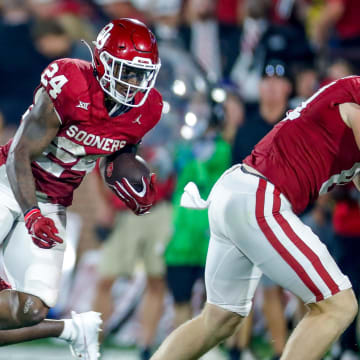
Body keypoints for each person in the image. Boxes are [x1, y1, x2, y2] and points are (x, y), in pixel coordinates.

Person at [151, 74, 360, 360]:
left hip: (238, 190)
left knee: (220, 318)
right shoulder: (354, 99)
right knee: (338, 305)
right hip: (261, 198)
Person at [0, 18, 162, 360]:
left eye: (141, 74)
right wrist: (29, 214)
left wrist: (126, 172)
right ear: (103, 61)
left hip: (53, 202)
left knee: (31, 311)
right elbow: (20, 153)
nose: (134, 83)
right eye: (127, 70)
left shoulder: (146, 110)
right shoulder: (71, 81)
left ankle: (72, 329)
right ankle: (69, 331)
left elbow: (117, 149)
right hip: (8, 181)